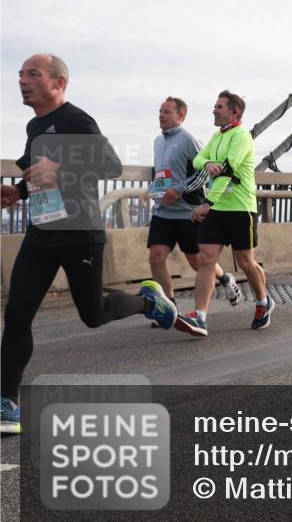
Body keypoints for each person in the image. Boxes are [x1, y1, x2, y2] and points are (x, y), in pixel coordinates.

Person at [1, 54, 177, 435]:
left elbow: (110, 166)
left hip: (80, 234)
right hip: (42, 232)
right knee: (16, 314)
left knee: (93, 313)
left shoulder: (76, 121)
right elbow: (38, 174)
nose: (22, 81)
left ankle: (149, 301)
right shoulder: (35, 125)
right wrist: (17, 191)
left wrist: (60, 169)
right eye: (20, 74)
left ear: (59, 82)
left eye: (33, 74)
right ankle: (7, 401)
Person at [176, 91, 273, 337]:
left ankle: (263, 302)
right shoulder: (217, 136)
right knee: (206, 260)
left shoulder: (242, 137)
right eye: (215, 106)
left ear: (234, 111)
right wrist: (208, 164)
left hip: (240, 208)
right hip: (217, 209)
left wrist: (207, 202)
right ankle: (199, 317)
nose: (214, 110)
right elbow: (198, 159)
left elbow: (228, 171)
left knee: (246, 262)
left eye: (219, 107)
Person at [143, 96, 241, 320]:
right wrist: (151, 190)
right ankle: (169, 309)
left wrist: (180, 189)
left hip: (188, 212)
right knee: (156, 257)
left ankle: (224, 278)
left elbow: (205, 172)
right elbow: (163, 173)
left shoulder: (189, 140)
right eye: (160, 111)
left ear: (180, 116)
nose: (161, 115)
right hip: (163, 212)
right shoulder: (158, 141)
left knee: (197, 262)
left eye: (166, 112)